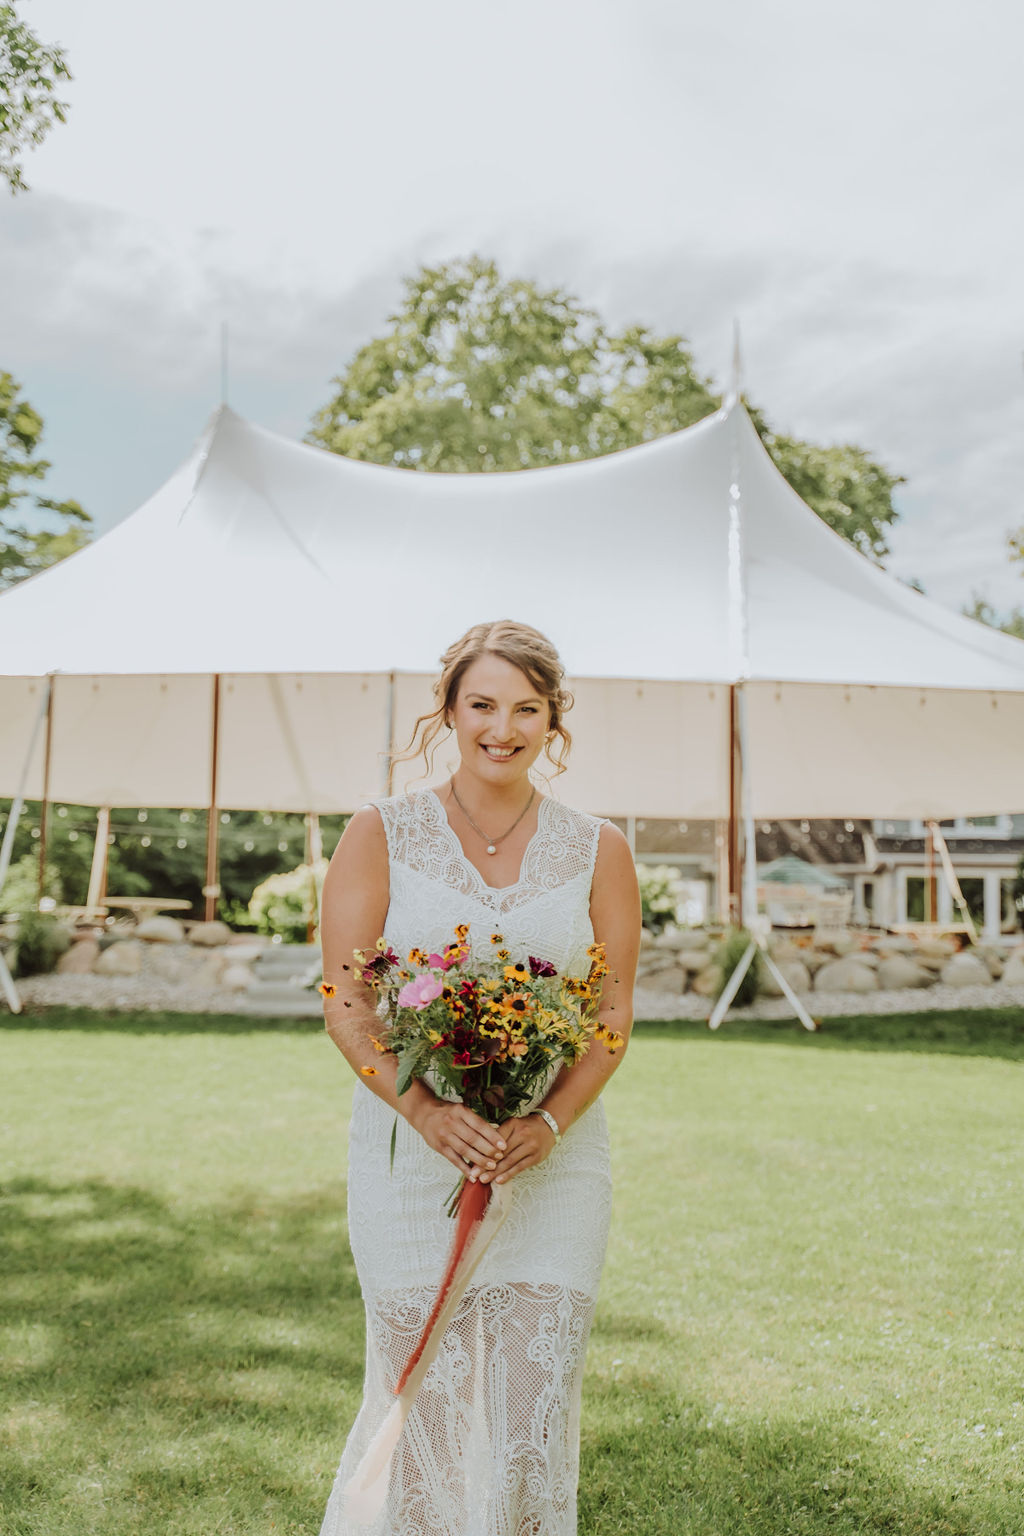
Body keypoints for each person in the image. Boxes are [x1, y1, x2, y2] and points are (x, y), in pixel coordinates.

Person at [317, 619, 642, 1536]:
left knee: (532, 1406)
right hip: (410, 1159)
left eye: (526, 708)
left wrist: (550, 1124)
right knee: (422, 1391)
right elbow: (348, 1003)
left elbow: (610, 1018)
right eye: (483, 705)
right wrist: (423, 1112)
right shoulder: (381, 832)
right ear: (450, 710)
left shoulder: (599, 848)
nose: (503, 727)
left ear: (553, 720)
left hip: (553, 1165)